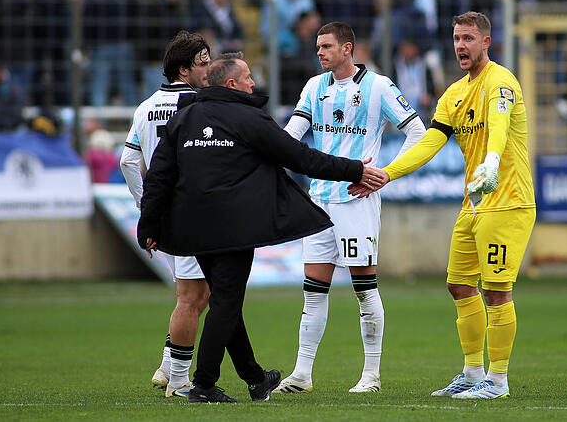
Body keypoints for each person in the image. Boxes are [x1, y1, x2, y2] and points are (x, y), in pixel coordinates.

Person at [137, 52, 387, 403]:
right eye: (248, 77)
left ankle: (255, 378)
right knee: (226, 303)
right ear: (231, 84)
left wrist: (148, 224)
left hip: (194, 227)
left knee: (225, 299)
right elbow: (301, 157)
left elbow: (159, 174)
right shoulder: (247, 117)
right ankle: (204, 384)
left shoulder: (186, 117)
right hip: (233, 227)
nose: (254, 83)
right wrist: (355, 170)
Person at [349, 12, 536, 400]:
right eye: (456, 38)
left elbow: (499, 126)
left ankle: (498, 381)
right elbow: (431, 142)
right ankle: (472, 372)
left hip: (507, 200)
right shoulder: (454, 94)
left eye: (468, 38)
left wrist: (492, 161)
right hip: (475, 202)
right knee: (459, 284)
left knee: (496, 290)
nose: (461, 46)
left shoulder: (500, 82)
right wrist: (387, 173)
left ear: (487, 42)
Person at [274, 21, 426, 394]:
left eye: (326, 46)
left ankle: (371, 376)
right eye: (317, 47)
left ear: (347, 48)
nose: (320, 53)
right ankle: (302, 374)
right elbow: (291, 137)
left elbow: (418, 133)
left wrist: (386, 174)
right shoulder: (314, 87)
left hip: (356, 201)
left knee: (363, 287)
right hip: (318, 201)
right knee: (313, 291)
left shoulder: (379, 86)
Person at [119, 31, 211, 398]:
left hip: (167, 213)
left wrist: (147, 206)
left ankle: (167, 365)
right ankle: (178, 380)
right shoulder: (198, 105)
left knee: (202, 295)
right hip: (193, 213)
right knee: (191, 298)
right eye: (203, 64)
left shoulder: (145, 107)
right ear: (184, 69)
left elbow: (128, 160)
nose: (208, 69)